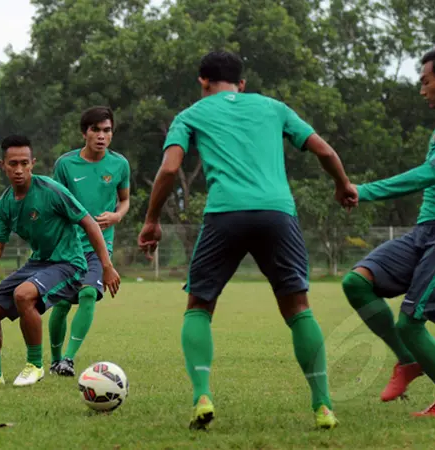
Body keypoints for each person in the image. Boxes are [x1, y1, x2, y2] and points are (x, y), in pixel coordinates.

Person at [137, 51, 356, 429]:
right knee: (298, 307)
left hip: (226, 213)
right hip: (277, 213)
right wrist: (343, 184)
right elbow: (324, 149)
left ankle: (202, 394)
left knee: (199, 305)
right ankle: (323, 405)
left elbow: (170, 168)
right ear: (242, 83)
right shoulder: (274, 108)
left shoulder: (190, 115)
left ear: (202, 81)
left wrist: (152, 220)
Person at [341, 47, 435, 417]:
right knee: (356, 283)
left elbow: (433, 173)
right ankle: (408, 361)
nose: (422, 90)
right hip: (426, 230)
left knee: (410, 323)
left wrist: (366, 190)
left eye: (426, 82)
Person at [0, 134, 121, 387]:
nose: (19, 170)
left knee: (23, 295)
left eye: (24, 163)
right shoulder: (5, 204)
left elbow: (89, 223)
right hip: (39, 262)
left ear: (33, 163)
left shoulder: (51, 191)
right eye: (13, 164)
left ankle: (35, 366)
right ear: (3, 165)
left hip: (69, 263)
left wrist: (106, 266)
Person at [48, 106, 131, 376]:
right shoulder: (65, 165)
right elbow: (54, 203)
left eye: (107, 130)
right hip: (68, 246)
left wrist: (117, 216)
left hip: (100, 247)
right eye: (95, 130)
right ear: (84, 132)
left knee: (87, 294)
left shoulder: (119, 164)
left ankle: (69, 360)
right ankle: (56, 358)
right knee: (60, 304)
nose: (101, 136)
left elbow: (125, 200)